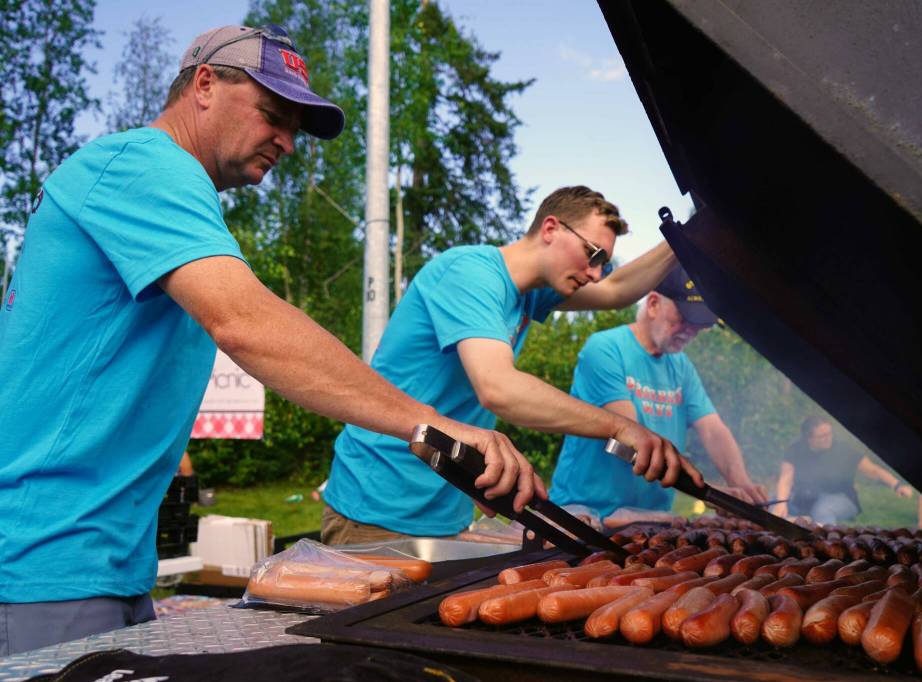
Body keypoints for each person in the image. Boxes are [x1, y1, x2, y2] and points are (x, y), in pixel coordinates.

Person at [0, 25, 533, 655]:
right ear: (204, 84)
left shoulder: (161, 188)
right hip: (48, 555)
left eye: (294, 128)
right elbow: (248, 324)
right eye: (272, 115)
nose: (285, 141)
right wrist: (433, 426)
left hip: (100, 554)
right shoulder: (144, 165)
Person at [322, 188, 706, 545]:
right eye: (593, 254)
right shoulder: (470, 273)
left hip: (445, 510)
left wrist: (685, 236)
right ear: (551, 228)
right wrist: (622, 427)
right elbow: (498, 388)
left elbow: (617, 290)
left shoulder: (527, 296)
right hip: (374, 508)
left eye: (603, 262)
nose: (594, 273)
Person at [549, 265, 768, 519]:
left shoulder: (681, 365)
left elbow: (713, 430)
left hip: (649, 517)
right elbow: (631, 440)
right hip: (584, 512)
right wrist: (709, 492)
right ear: (653, 304)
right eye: (685, 319)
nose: (692, 331)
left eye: (699, 324)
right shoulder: (605, 349)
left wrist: (741, 485)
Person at [772, 416, 913, 524]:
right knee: (774, 503)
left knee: (821, 510)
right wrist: (781, 503)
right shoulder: (796, 449)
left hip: (841, 497)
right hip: (805, 497)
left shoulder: (844, 450)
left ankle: (825, 547)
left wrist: (897, 485)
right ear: (809, 438)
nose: (828, 438)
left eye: (829, 434)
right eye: (822, 436)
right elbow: (786, 478)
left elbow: (873, 470)